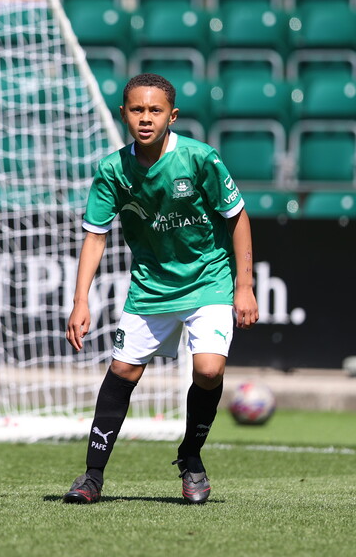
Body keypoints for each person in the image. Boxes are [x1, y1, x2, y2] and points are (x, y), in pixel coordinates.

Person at [62, 73, 259, 505]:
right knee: (123, 373)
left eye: (154, 111)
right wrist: (80, 301)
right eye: (137, 110)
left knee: (208, 371)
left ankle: (190, 457)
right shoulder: (113, 169)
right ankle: (92, 476)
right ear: (123, 114)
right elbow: (95, 235)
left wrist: (244, 286)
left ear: (172, 116)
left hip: (208, 278)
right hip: (151, 286)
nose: (145, 119)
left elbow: (237, 217)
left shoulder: (199, 158)